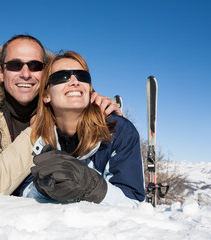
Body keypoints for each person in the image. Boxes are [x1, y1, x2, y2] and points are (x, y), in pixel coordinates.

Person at [0, 35, 122, 195]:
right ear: (1, 73)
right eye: (15, 65)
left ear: (46, 72)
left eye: (35, 66)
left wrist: (102, 110)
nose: (25, 74)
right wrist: (37, 129)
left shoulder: (58, 96)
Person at [19, 51, 145, 206]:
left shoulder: (119, 131)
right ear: (46, 95)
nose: (74, 81)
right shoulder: (36, 137)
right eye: (61, 77)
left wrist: (91, 186)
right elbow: (23, 193)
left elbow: (134, 203)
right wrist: (42, 188)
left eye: (82, 76)